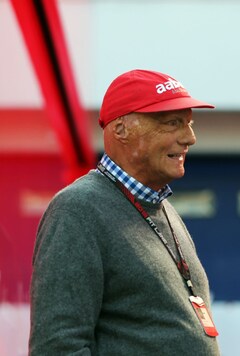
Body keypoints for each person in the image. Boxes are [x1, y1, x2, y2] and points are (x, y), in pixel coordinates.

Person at [29, 69, 220, 355]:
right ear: (120, 130)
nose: (189, 138)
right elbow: (57, 346)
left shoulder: (162, 209)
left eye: (189, 124)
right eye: (172, 123)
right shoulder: (77, 210)